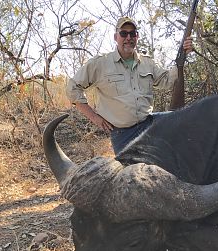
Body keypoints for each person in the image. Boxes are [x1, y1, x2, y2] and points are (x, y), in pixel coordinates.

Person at [66, 16, 194, 155]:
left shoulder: (147, 63)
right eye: (123, 33)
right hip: (123, 134)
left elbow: (168, 80)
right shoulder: (100, 63)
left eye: (132, 34)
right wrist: (94, 117)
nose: (128, 37)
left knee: (185, 120)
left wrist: (183, 56)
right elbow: (72, 88)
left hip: (149, 124)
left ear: (137, 37)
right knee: (132, 174)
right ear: (116, 37)